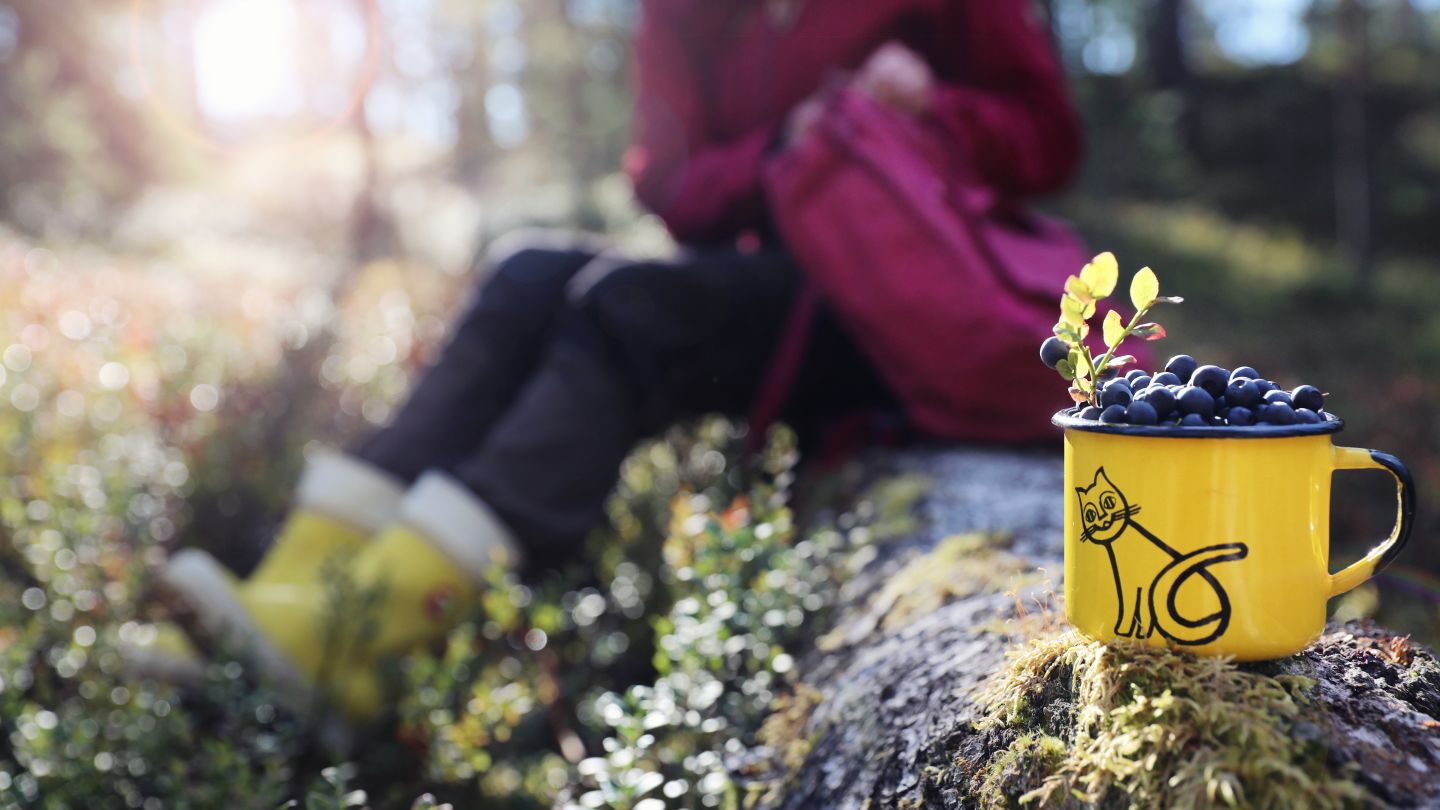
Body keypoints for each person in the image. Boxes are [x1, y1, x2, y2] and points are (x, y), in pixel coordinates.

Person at [125, 0, 1081, 723]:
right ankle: (294, 596)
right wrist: (784, 152)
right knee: (526, 272)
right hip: (759, 286)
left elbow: (1048, 140)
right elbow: (669, 184)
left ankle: (356, 636)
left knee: (632, 309)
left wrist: (933, 109)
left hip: (897, 311)